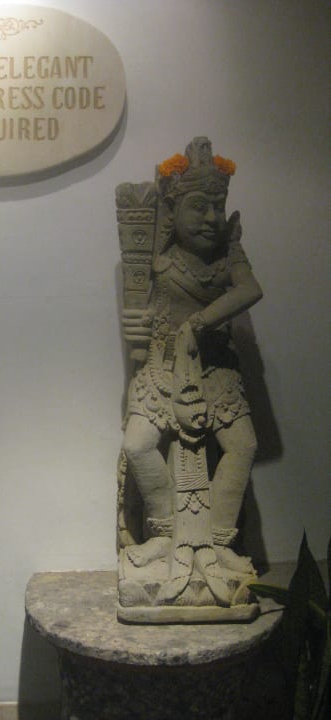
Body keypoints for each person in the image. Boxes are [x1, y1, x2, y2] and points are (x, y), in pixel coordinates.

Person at [120, 137, 263, 588]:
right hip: (163, 371)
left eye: (217, 207)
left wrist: (199, 322)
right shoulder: (160, 261)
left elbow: (250, 290)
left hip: (215, 371)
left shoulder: (227, 258)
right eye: (198, 207)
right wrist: (137, 325)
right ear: (173, 211)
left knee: (243, 446)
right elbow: (144, 317)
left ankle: (218, 539)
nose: (210, 218)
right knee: (138, 445)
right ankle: (165, 533)